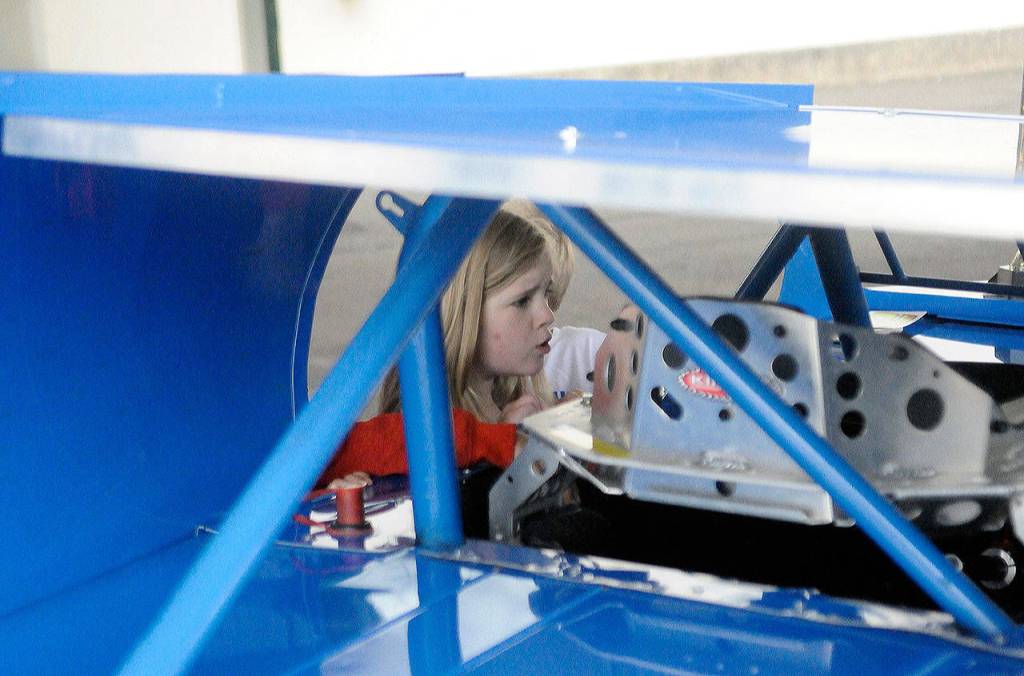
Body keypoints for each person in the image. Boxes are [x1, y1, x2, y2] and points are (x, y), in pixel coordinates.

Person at [316, 201, 600, 487]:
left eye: (546, 294)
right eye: (522, 301)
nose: (547, 315)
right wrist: (506, 445)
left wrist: (566, 430)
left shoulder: (522, 398)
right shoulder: (416, 435)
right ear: (467, 311)